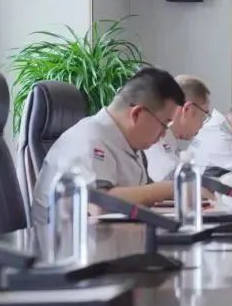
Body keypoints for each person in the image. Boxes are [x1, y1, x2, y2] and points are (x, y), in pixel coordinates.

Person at [31, 67, 185, 223]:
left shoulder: (131, 145)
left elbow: (146, 196)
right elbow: (99, 205)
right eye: (164, 124)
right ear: (137, 114)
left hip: (109, 233)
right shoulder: (90, 137)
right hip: (63, 236)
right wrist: (170, 189)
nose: (164, 133)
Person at [144, 75, 212, 181]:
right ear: (187, 109)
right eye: (203, 116)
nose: (202, 125)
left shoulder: (167, 142)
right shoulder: (158, 151)